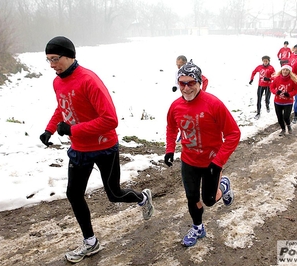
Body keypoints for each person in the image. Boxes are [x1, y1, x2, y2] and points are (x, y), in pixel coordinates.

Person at [40, 36, 154, 263]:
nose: (52, 65)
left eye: (55, 59)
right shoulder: (57, 82)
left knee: (114, 194)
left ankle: (143, 198)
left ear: (70, 55)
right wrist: (50, 129)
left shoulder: (89, 80)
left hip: (104, 147)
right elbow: (64, 106)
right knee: (74, 194)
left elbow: (110, 120)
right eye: (48, 60)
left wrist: (73, 129)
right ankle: (90, 242)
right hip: (80, 149)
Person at [164, 60, 241, 247]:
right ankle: (198, 227)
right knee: (192, 198)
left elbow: (233, 134)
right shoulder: (175, 106)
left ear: (199, 82)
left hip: (211, 163)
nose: (186, 88)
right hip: (189, 161)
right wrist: (169, 150)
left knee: (209, 200)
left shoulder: (213, 104)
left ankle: (224, 185)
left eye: (191, 83)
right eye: (182, 83)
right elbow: (171, 128)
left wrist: (218, 161)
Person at [270, 65, 297, 136]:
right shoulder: (277, 78)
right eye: (284, 70)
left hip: (288, 102)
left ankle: (288, 126)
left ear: (289, 72)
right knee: (279, 117)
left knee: (286, 116)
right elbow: (272, 87)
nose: (285, 71)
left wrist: (289, 94)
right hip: (278, 101)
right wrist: (275, 92)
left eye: (287, 70)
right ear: (281, 71)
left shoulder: (293, 80)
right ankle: (283, 129)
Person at [249, 55, 276, 119]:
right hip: (260, 85)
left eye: (266, 61)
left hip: (268, 86)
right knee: (259, 99)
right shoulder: (259, 67)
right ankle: (258, 113)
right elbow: (254, 72)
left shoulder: (271, 68)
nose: (265, 62)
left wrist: (269, 79)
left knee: (267, 98)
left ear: (269, 61)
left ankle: (267, 105)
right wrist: (251, 79)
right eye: (264, 61)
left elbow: (275, 77)